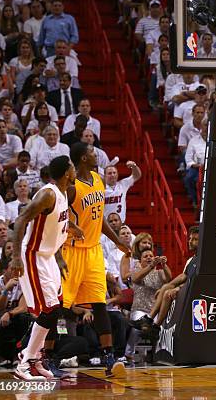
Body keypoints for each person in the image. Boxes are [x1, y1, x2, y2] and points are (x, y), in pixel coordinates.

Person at [61, 142, 131, 377]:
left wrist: (117, 241)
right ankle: (45, 357)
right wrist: (71, 226)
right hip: (71, 252)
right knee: (58, 307)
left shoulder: (98, 180)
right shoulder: (71, 188)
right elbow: (55, 216)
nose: (96, 154)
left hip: (93, 252)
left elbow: (99, 219)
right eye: (91, 152)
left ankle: (109, 357)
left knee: (100, 305)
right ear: (82, 158)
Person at [11, 156, 76, 380]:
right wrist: (15, 258)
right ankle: (24, 362)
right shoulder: (47, 194)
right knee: (49, 311)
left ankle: (35, 359)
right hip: (33, 255)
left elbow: (56, 224)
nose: (75, 170)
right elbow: (20, 220)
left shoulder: (65, 192)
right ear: (67, 172)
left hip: (48, 258)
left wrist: (60, 251)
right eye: (73, 167)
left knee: (52, 310)